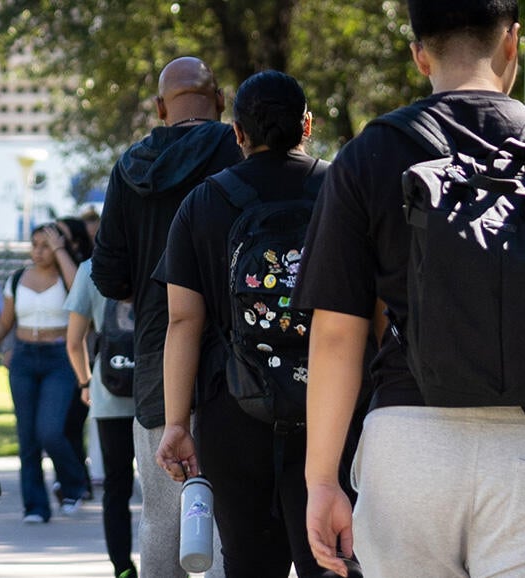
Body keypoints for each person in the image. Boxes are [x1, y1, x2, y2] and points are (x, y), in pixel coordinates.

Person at [297, 0, 525, 573]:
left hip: (410, 449)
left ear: (420, 56)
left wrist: (321, 480)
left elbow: (337, 334)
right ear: (512, 42)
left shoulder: (367, 157)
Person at [156, 69, 365, 578]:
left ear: (238, 133)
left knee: (248, 564)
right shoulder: (343, 191)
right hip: (332, 408)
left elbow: (182, 322)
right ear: (307, 125)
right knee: (334, 562)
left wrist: (176, 424)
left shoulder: (202, 204)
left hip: (234, 407)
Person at [92, 55, 245, 578]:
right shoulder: (240, 148)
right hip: (238, 356)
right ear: (220, 101)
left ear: (161, 108)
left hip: (158, 357)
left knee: (162, 516)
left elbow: (108, 277)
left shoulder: (131, 167)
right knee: (234, 522)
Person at [0, 220, 92, 523]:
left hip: (59, 358)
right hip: (23, 359)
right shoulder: (18, 278)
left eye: (46, 245)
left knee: (50, 430)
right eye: (35, 245)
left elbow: (81, 291)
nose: (39, 251)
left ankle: (73, 485)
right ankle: (35, 505)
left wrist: (60, 251)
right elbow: (6, 322)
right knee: (28, 436)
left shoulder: (66, 277)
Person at [68, 225, 141, 577]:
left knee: (116, 485)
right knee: (168, 488)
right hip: (156, 391)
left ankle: (122, 567)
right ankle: (170, 562)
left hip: (108, 390)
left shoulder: (88, 270)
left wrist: (85, 382)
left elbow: (74, 341)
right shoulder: (153, 261)